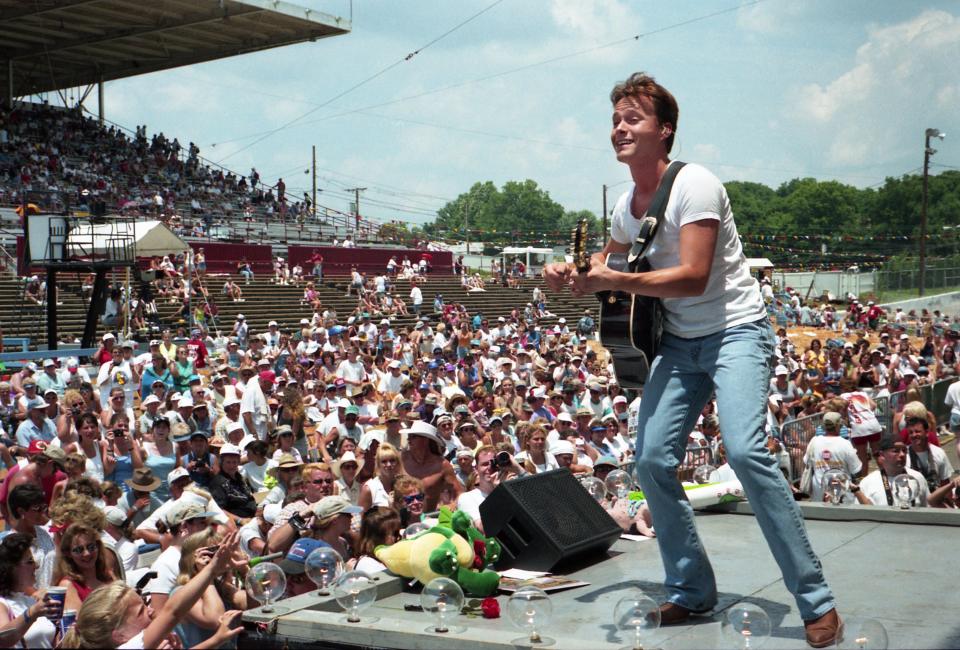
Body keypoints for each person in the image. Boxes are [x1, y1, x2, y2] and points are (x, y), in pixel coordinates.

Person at [542, 72, 838, 647]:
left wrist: (615, 275)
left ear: (665, 130)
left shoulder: (695, 184)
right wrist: (571, 271)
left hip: (736, 331)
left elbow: (695, 276)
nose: (619, 129)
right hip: (679, 344)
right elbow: (610, 260)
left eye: (633, 119)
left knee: (749, 453)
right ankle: (690, 589)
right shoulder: (629, 206)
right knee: (651, 459)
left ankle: (815, 599)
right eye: (615, 120)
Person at [0, 533, 61, 649]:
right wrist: (32, 613)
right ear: (12, 568)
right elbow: (3, 639)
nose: (36, 566)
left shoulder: (31, 601)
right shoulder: (3, 603)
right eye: (30, 562)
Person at [53, 523, 117, 612]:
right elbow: (79, 624)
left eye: (91, 547)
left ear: (98, 547)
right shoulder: (68, 585)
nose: (86, 553)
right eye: (78, 550)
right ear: (68, 553)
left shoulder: (108, 575)